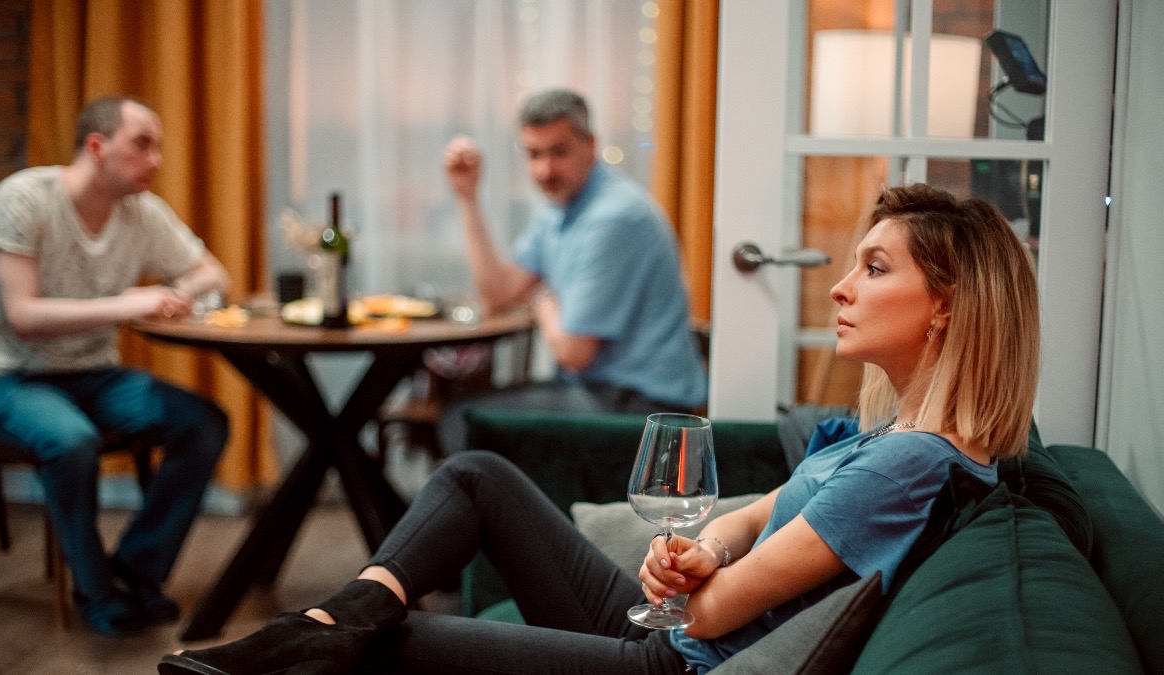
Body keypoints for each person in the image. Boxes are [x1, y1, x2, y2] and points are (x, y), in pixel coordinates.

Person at [158, 183, 1039, 675]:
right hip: (662, 635)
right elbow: (753, 516)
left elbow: (715, 612)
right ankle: (339, 613)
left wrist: (694, 578)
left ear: (946, 307)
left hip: (670, 665)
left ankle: (307, 633)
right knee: (475, 474)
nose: (841, 286)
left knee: (393, 645)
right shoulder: (885, 439)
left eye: (874, 268)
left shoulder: (910, 466)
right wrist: (701, 549)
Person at [0, 95, 231, 636]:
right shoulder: (23, 200)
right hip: (11, 377)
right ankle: (97, 592)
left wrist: (175, 292)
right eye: (142, 144)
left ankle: (136, 570)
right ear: (96, 146)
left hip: (94, 374)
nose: (156, 159)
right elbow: (23, 317)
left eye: (158, 146)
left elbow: (214, 273)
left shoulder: (141, 211)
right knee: (71, 442)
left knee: (204, 423)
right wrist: (128, 304)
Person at [435, 89, 708, 455]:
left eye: (558, 152)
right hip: (603, 392)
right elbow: (498, 292)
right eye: (534, 154)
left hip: (643, 409)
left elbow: (573, 353)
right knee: (464, 411)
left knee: (463, 419)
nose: (545, 170)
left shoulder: (613, 217)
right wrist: (467, 196)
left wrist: (544, 304)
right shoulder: (562, 208)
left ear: (590, 145)